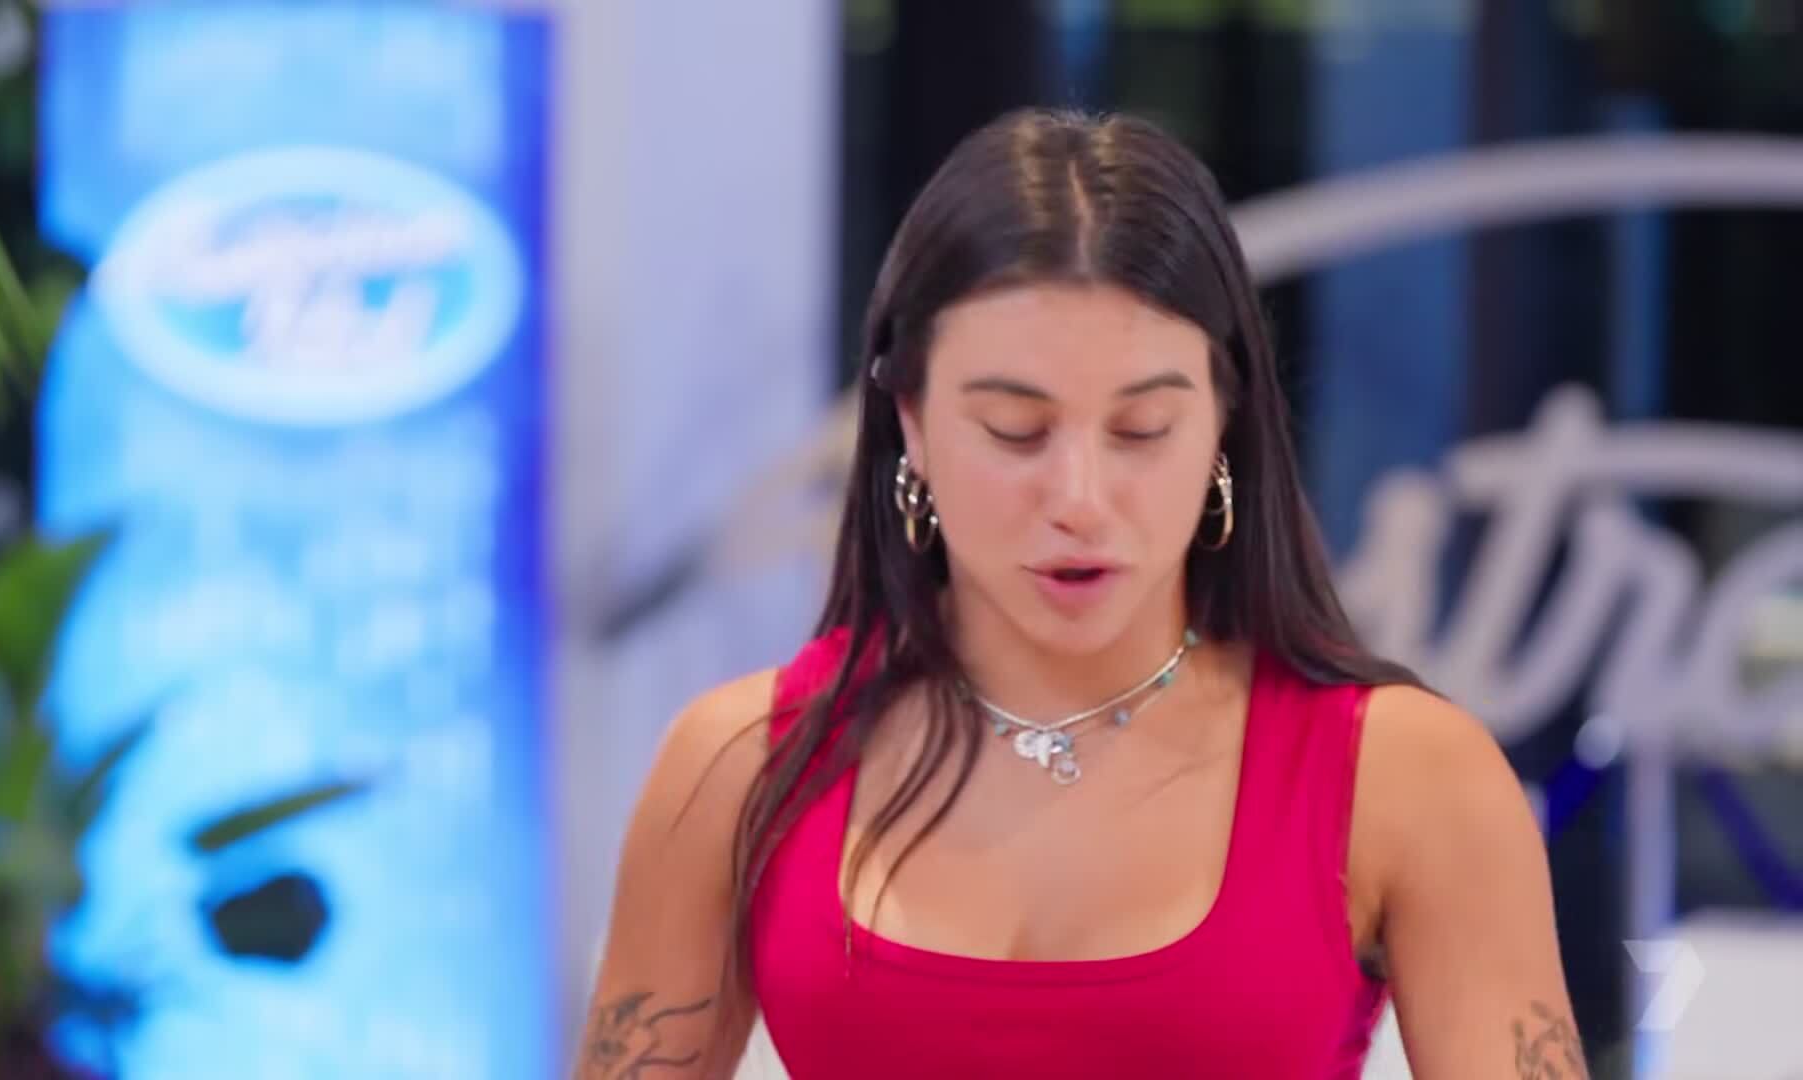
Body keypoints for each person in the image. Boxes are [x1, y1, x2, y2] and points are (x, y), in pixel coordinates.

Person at [579, 108, 1582, 1079]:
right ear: (912, 423)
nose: (1080, 500)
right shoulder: (743, 766)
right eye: (1015, 432)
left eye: (1142, 431)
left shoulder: (1406, 778)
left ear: (1223, 425)